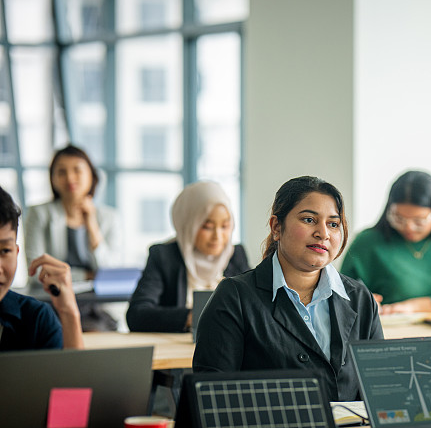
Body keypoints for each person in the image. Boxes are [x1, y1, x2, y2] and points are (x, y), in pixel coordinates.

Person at [193, 176, 384, 401]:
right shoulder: (234, 297)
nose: (323, 233)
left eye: (333, 224)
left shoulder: (360, 298)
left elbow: (380, 391)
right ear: (276, 226)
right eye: (309, 220)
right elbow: (212, 398)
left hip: (349, 425)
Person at [340, 170, 431, 314]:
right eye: (398, 218)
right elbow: (341, 294)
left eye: (419, 221)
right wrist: (362, 301)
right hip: (389, 325)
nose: (409, 227)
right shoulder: (367, 242)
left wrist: (417, 306)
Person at [126, 181, 249, 333]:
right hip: (178, 345)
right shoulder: (164, 257)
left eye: (225, 226)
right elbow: (137, 315)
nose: (217, 236)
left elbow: (254, 306)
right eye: (208, 227)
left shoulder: (236, 255)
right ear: (188, 224)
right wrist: (193, 317)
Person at [0, 186, 83, 351]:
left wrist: (69, 312)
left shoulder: (36, 318)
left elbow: (72, 369)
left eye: (5, 250)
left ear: (16, 252)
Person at [24, 145, 120, 282]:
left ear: (92, 175)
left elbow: (112, 273)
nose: (70, 178)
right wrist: (87, 276)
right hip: (52, 294)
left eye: (77, 170)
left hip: (98, 296)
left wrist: (92, 225)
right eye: (61, 172)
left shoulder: (110, 217)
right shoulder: (39, 214)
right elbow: (35, 272)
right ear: (52, 178)